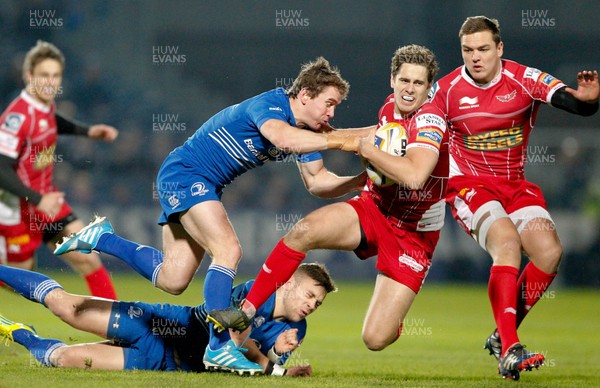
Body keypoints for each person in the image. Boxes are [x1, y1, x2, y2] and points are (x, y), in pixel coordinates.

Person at [54, 56, 368, 373]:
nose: (331, 113)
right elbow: (284, 138)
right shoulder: (272, 105)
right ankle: (218, 347)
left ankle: (101, 238)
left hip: (201, 184)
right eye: (329, 103)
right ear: (304, 95)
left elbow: (318, 181)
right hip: (187, 174)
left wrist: (360, 180)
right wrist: (346, 140)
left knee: (173, 278)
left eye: (335, 106)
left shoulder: (305, 131)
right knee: (228, 250)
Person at [209, 44, 448, 353]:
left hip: (413, 234)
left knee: (375, 338)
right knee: (304, 231)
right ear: (392, 80)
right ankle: (248, 310)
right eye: (404, 81)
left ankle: (396, 316)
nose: (409, 89)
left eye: (418, 83)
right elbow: (375, 132)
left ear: (429, 88)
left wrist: (367, 150)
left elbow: (414, 176)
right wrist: (333, 136)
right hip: (374, 207)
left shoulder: (431, 120)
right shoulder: (390, 107)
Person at [427, 16, 599, 380]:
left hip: (514, 185)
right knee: (506, 244)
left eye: (484, 49)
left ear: (500, 48)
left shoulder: (524, 78)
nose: (475, 57)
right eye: (468, 50)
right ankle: (510, 348)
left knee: (550, 252)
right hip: (469, 186)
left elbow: (574, 103)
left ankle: (501, 337)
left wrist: (589, 101)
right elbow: (416, 128)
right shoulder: (445, 91)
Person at [0, 262, 335, 376]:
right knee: (66, 309)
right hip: (160, 324)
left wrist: (278, 357)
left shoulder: (295, 330)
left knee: (65, 358)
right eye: (309, 295)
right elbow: (237, 344)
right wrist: (272, 363)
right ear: (289, 284)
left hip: (165, 363)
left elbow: (261, 370)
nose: (311, 305)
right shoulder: (253, 293)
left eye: (317, 303)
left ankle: (21, 333)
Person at [0, 40, 118, 299]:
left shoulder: (44, 106)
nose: (50, 82)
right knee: (19, 278)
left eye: (55, 76)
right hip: (17, 208)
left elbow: (53, 121)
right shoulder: (16, 118)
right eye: (44, 75)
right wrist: (38, 200)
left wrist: (88, 132)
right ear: (29, 76)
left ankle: (118, 328)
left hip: (47, 202)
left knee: (89, 259)